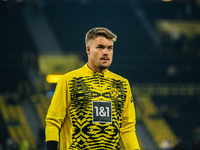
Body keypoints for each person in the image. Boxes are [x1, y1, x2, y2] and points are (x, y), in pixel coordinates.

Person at [45, 27, 140, 150]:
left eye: (110, 48)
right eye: (100, 47)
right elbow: (53, 122)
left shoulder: (122, 84)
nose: (106, 52)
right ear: (88, 50)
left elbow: (127, 128)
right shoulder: (69, 80)